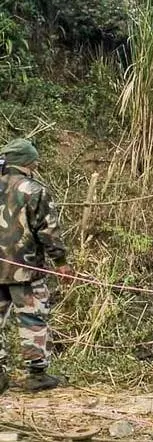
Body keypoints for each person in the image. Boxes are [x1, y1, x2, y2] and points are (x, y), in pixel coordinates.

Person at [0, 138, 71, 392]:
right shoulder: (33, 190)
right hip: (26, 269)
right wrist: (61, 261)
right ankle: (36, 375)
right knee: (32, 318)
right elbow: (48, 231)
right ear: (27, 162)